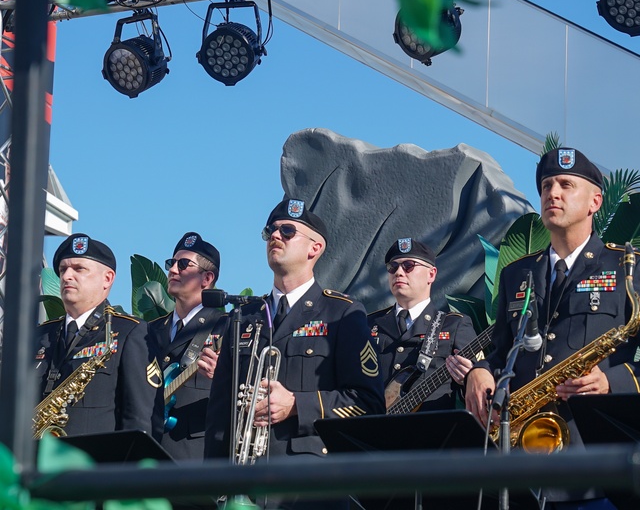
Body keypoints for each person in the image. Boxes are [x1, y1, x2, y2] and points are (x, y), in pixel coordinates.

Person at [465, 147, 640, 508]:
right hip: (517, 472)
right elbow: (500, 353)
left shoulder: (629, 267)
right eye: (545, 186)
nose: (552, 193)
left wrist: (612, 381)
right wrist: (479, 372)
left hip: (594, 473)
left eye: (565, 185)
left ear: (595, 202)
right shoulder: (516, 274)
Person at [205, 199, 385, 508]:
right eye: (270, 231)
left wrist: (297, 405)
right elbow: (220, 410)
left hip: (310, 487)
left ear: (314, 249)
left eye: (287, 231)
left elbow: (367, 403)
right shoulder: (244, 316)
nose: (275, 236)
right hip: (244, 485)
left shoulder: (342, 313)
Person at [35, 233, 163, 439]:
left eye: (79, 269)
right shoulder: (39, 335)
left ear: (107, 278)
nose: (67, 276)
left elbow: (141, 419)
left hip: (96, 466)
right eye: (63, 269)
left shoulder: (130, 332)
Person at [368, 238, 477, 412]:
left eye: (409, 265)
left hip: (430, 434)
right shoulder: (369, 324)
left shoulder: (453, 325)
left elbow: (476, 393)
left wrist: (469, 379)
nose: (399, 272)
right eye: (393, 267)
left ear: (431, 274)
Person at [150, 232, 227, 462]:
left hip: (194, 457)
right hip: (149, 453)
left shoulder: (227, 327)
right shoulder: (147, 331)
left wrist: (221, 377)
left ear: (207, 278)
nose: (173, 270)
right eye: (171, 263)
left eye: (183, 264)